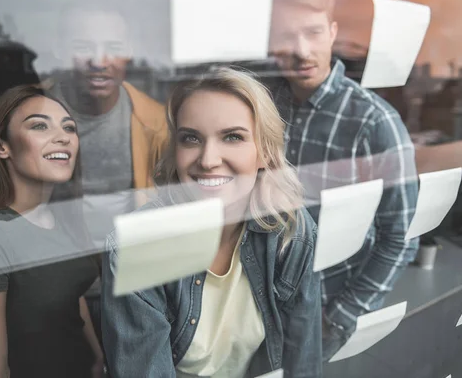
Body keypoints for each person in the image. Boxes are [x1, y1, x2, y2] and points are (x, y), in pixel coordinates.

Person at [101, 68, 322, 377]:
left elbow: (303, 363)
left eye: (233, 137)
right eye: (191, 138)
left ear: (265, 154)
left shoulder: (290, 232)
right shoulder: (137, 247)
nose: (207, 160)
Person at [268, 0, 419, 360]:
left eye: (314, 32)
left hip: (323, 312)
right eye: (287, 36)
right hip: (261, 307)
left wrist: (337, 320)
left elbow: (400, 237)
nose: (302, 51)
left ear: (332, 33)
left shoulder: (374, 122)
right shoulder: (263, 109)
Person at [0, 85, 103, 377]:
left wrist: (99, 359)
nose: (63, 137)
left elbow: (72, 294)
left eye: (69, 128)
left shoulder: (61, 219)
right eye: (39, 126)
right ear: (2, 147)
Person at [45, 0, 169, 343]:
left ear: (129, 52)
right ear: (58, 49)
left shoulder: (155, 122)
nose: (98, 60)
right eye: (83, 46)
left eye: (113, 47)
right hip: (57, 294)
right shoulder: (29, 116)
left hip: (136, 288)